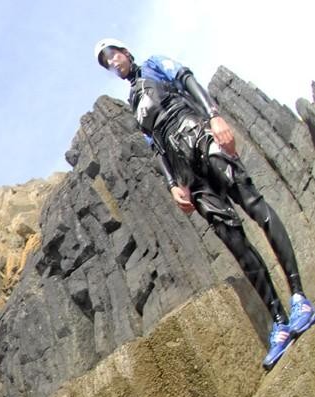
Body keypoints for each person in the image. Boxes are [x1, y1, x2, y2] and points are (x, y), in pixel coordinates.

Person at [94, 39, 314, 370]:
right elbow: (156, 147)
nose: (112, 62)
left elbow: (187, 80)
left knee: (255, 207)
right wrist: (172, 185)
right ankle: (279, 320)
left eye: (113, 54)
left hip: (200, 137)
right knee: (236, 244)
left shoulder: (155, 64)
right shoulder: (134, 103)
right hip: (186, 174)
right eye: (105, 62)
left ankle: (299, 297)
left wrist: (214, 116)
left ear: (125, 52)